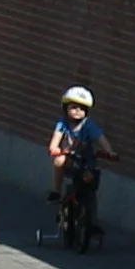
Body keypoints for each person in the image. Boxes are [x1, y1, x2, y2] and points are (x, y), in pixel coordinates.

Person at [47, 84, 111, 252]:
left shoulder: (88, 125)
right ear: (65, 108)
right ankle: (56, 190)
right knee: (59, 161)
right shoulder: (62, 124)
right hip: (70, 159)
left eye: (82, 109)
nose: (77, 111)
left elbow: (101, 138)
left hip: (86, 162)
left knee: (90, 188)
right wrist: (54, 148)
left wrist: (110, 152)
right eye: (73, 107)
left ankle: (92, 220)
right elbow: (56, 139)